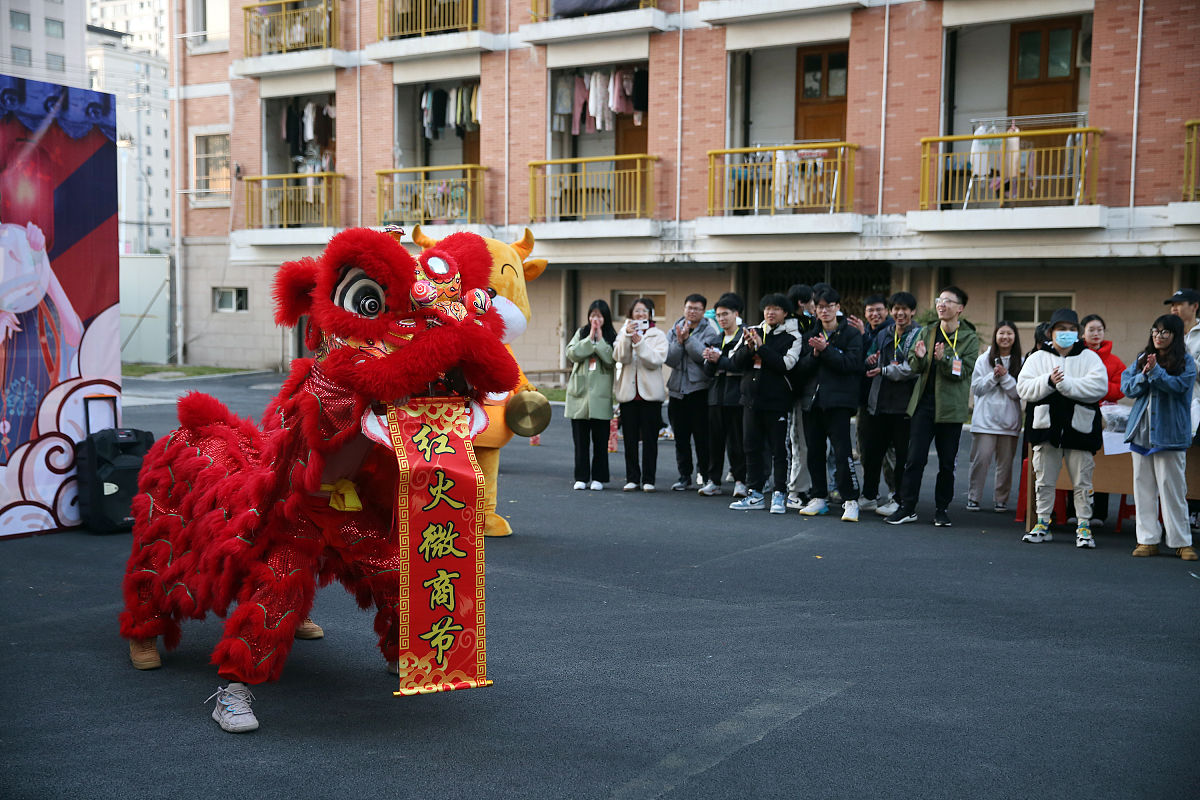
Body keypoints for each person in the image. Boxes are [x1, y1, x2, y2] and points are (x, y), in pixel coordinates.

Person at [887, 286, 978, 528]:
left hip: (950, 408)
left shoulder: (969, 337)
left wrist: (945, 359)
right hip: (923, 405)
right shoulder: (927, 332)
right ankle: (907, 507)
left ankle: (941, 509)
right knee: (914, 458)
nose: (942, 304)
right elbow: (914, 368)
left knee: (947, 462)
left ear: (960, 308)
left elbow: (964, 371)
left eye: (948, 301)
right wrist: (918, 356)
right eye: (940, 300)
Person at [1015, 308, 1107, 548]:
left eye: (1071, 330)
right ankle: (1043, 522)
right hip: (1046, 429)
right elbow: (1023, 389)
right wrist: (1048, 382)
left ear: (1077, 333)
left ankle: (1084, 526)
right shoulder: (1037, 358)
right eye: (1061, 329)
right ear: (1051, 332)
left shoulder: (1089, 358)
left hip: (1081, 429)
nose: (1066, 334)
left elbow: (1098, 387)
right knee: (1043, 479)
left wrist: (1065, 384)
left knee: (1083, 481)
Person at [1121, 314, 1198, 560]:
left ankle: (1181, 542)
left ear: (1175, 336)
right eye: (1155, 331)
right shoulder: (1143, 358)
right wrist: (1144, 374)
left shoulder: (1186, 362)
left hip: (1170, 434)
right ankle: (1147, 540)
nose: (1158, 336)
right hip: (1142, 432)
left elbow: (1180, 388)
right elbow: (1127, 387)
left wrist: (1156, 373)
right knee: (1142, 488)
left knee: (1172, 489)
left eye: (1164, 332)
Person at [794, 287, 863, 521]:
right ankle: (819, 497)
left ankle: (850, 499)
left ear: (838, 307)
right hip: (812, 403)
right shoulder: (809, 335)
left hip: (839, 403)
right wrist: (814, 355)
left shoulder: (851, 334)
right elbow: (800, 369)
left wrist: (827, 350)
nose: (824, 311)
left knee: (842, 453)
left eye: (829, 306)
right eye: (820, 307)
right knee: (814, 452)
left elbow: (852, 364)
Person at [728, 294, 802, 513]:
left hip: (777, 401)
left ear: (785, 313)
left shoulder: (793, 336)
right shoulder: (752, 331)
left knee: (779, 450)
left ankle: (780, 494)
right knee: (751, 447)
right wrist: (750, 348)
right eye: (767, 308)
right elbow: (734, 361)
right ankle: (755, 493)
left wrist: (761, 348)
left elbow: (785, 365)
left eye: (776, 309)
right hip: (750, 400)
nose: (770, 313)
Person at [860, 292, 921, 517]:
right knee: (873, 452)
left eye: (904, 308)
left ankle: (898, 498)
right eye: (896, 308)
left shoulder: (918, 335)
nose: (899, 313)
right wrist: (871, 360)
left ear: (913, 311)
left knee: (902, 456)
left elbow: (913, 368)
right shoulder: (885, 333)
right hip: (880, 403)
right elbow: (870, 355)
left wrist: (884, 369)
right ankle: (869, 496)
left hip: (904, 406)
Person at [1070, 313, 1126, 523]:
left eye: (1099, 330)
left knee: (1102, 466)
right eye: (1091, 330)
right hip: (1078, 415)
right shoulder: (1075, 355)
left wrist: (1094, 388)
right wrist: (1097, 387)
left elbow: (1121, 388)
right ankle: (1072, 511)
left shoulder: (1114, 360)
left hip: (1105, 420)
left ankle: (1100, 513)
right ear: (1083, 332)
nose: (1096, 334)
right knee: (1076, 463)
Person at [665, 294, 720, 491]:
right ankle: (684, 475)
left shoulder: (710, 331)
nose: (692, 312)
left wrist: (687, 340)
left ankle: (704, 475)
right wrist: (679, 342)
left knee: (702, 438)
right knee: (680, 437)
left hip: (699, 390)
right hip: (676, 391)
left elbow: (703, 357)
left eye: (696, 308)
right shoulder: (675, 329)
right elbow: (669, 359)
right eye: (689, 308)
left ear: (703, 311)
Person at [966, 321, 1023, 513]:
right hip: (984, 422)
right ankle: (974, 497)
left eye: (1009, 333)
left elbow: (1018, 393)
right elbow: (977, 389)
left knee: (1005, 465)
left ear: (1015, 337)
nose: (1005, 337)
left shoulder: (1021, 362)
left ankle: (1001, 499)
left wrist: (1005, 377)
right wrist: (994, 377)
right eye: (1001, 333)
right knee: (980, 461)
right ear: (995, 336)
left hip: (1009, 422)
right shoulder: (984, 359)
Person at [614, 297, 668, 492]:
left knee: (650, 440)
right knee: (629, 439)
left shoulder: (658, 334)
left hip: (650, 395)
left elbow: (656, 359)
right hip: (628, 394)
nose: (640, 314)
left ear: (651, 314)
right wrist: (628, 338)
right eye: (636, 311)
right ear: (630, 315)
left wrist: (640, 343)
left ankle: (649, 479)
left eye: (644, 311)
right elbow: (620, 357)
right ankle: (632, 478)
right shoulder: (623, 332)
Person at [565, 299, 617, 490]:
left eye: (599, 315)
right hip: (579, 396)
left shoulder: (612, 335)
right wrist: (590, 340)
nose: (595, 319)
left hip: (600, 397)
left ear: (606, 317)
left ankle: (599, 478)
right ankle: (581, 477)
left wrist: (600, 341)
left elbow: (612, 360)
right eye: (592, 315)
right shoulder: (582, 332)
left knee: (600, 442)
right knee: (580, 441)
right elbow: (571, 353)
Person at [701, 293, 748, 498]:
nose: (721, 319)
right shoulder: (715, 339)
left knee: (737, 442)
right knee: (714, 442)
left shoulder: (744, 337)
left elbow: (740, 366)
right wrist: (710, 361)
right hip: (715, 396)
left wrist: (720, 360)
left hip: (736, 397)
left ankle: (740, 480)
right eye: (718, 315)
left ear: (736, 314)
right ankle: (713, 480)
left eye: (725, 314)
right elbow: (708, 372)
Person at [1165, 288, 1200, 530]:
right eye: (1172, 305)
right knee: (1176, 459)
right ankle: (1178, 512)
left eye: (1179, 304)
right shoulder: (1169, 334)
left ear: (1194, 306)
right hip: (1174, 404)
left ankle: (1196, 511)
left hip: (1198, 403)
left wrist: (1184, 359)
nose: (1174, 309)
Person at [785, 284, 816, 507]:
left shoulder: (814, 324)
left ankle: (809, 487)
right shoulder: (790, 328)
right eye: (814, 302)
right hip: (797, 393)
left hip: (815, 393)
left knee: (813, 445)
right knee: (799, 444)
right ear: (801, 303)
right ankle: (795, 490)